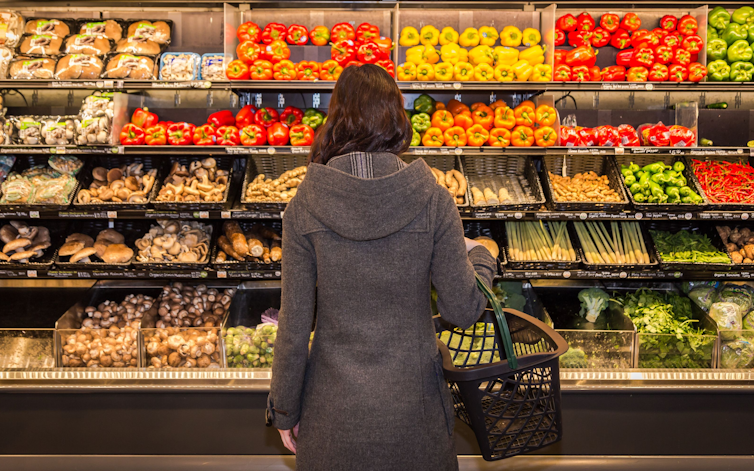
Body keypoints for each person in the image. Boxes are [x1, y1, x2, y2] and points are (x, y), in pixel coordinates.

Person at [267, 64, 496, 471]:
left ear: (335, 118)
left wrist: (284, 410)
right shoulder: (434, 200)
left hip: (331, 419)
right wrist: (481, 258)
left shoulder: (302, 205)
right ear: (397, 118)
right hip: (416, 417)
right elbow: (463, 309)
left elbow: (294, 324)